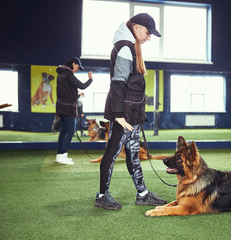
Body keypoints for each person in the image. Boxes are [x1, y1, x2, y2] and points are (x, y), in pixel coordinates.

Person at [94, 13, 166, 210]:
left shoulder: (131, 47)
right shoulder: (125, 48)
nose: (148, 37)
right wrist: (118, 115)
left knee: (133, 153)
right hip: (123, 116)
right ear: (135, 27)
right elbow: (117, 83)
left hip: (131, 115)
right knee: (112, 153)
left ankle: (142, 194)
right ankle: (102, 196)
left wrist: (135, 116)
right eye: (147, 32)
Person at [55, 57, 93, 165]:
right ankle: (62, 155)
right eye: (77, 66)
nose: (77, 69)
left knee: (63, 131)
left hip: (61, 106)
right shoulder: (68, 74)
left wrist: (76, 95)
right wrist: (90, 79)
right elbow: (82, 86)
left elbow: (66, 92)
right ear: (73, 64)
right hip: (68, 108)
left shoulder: (61, 74)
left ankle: (60, 155)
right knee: (71, 131)